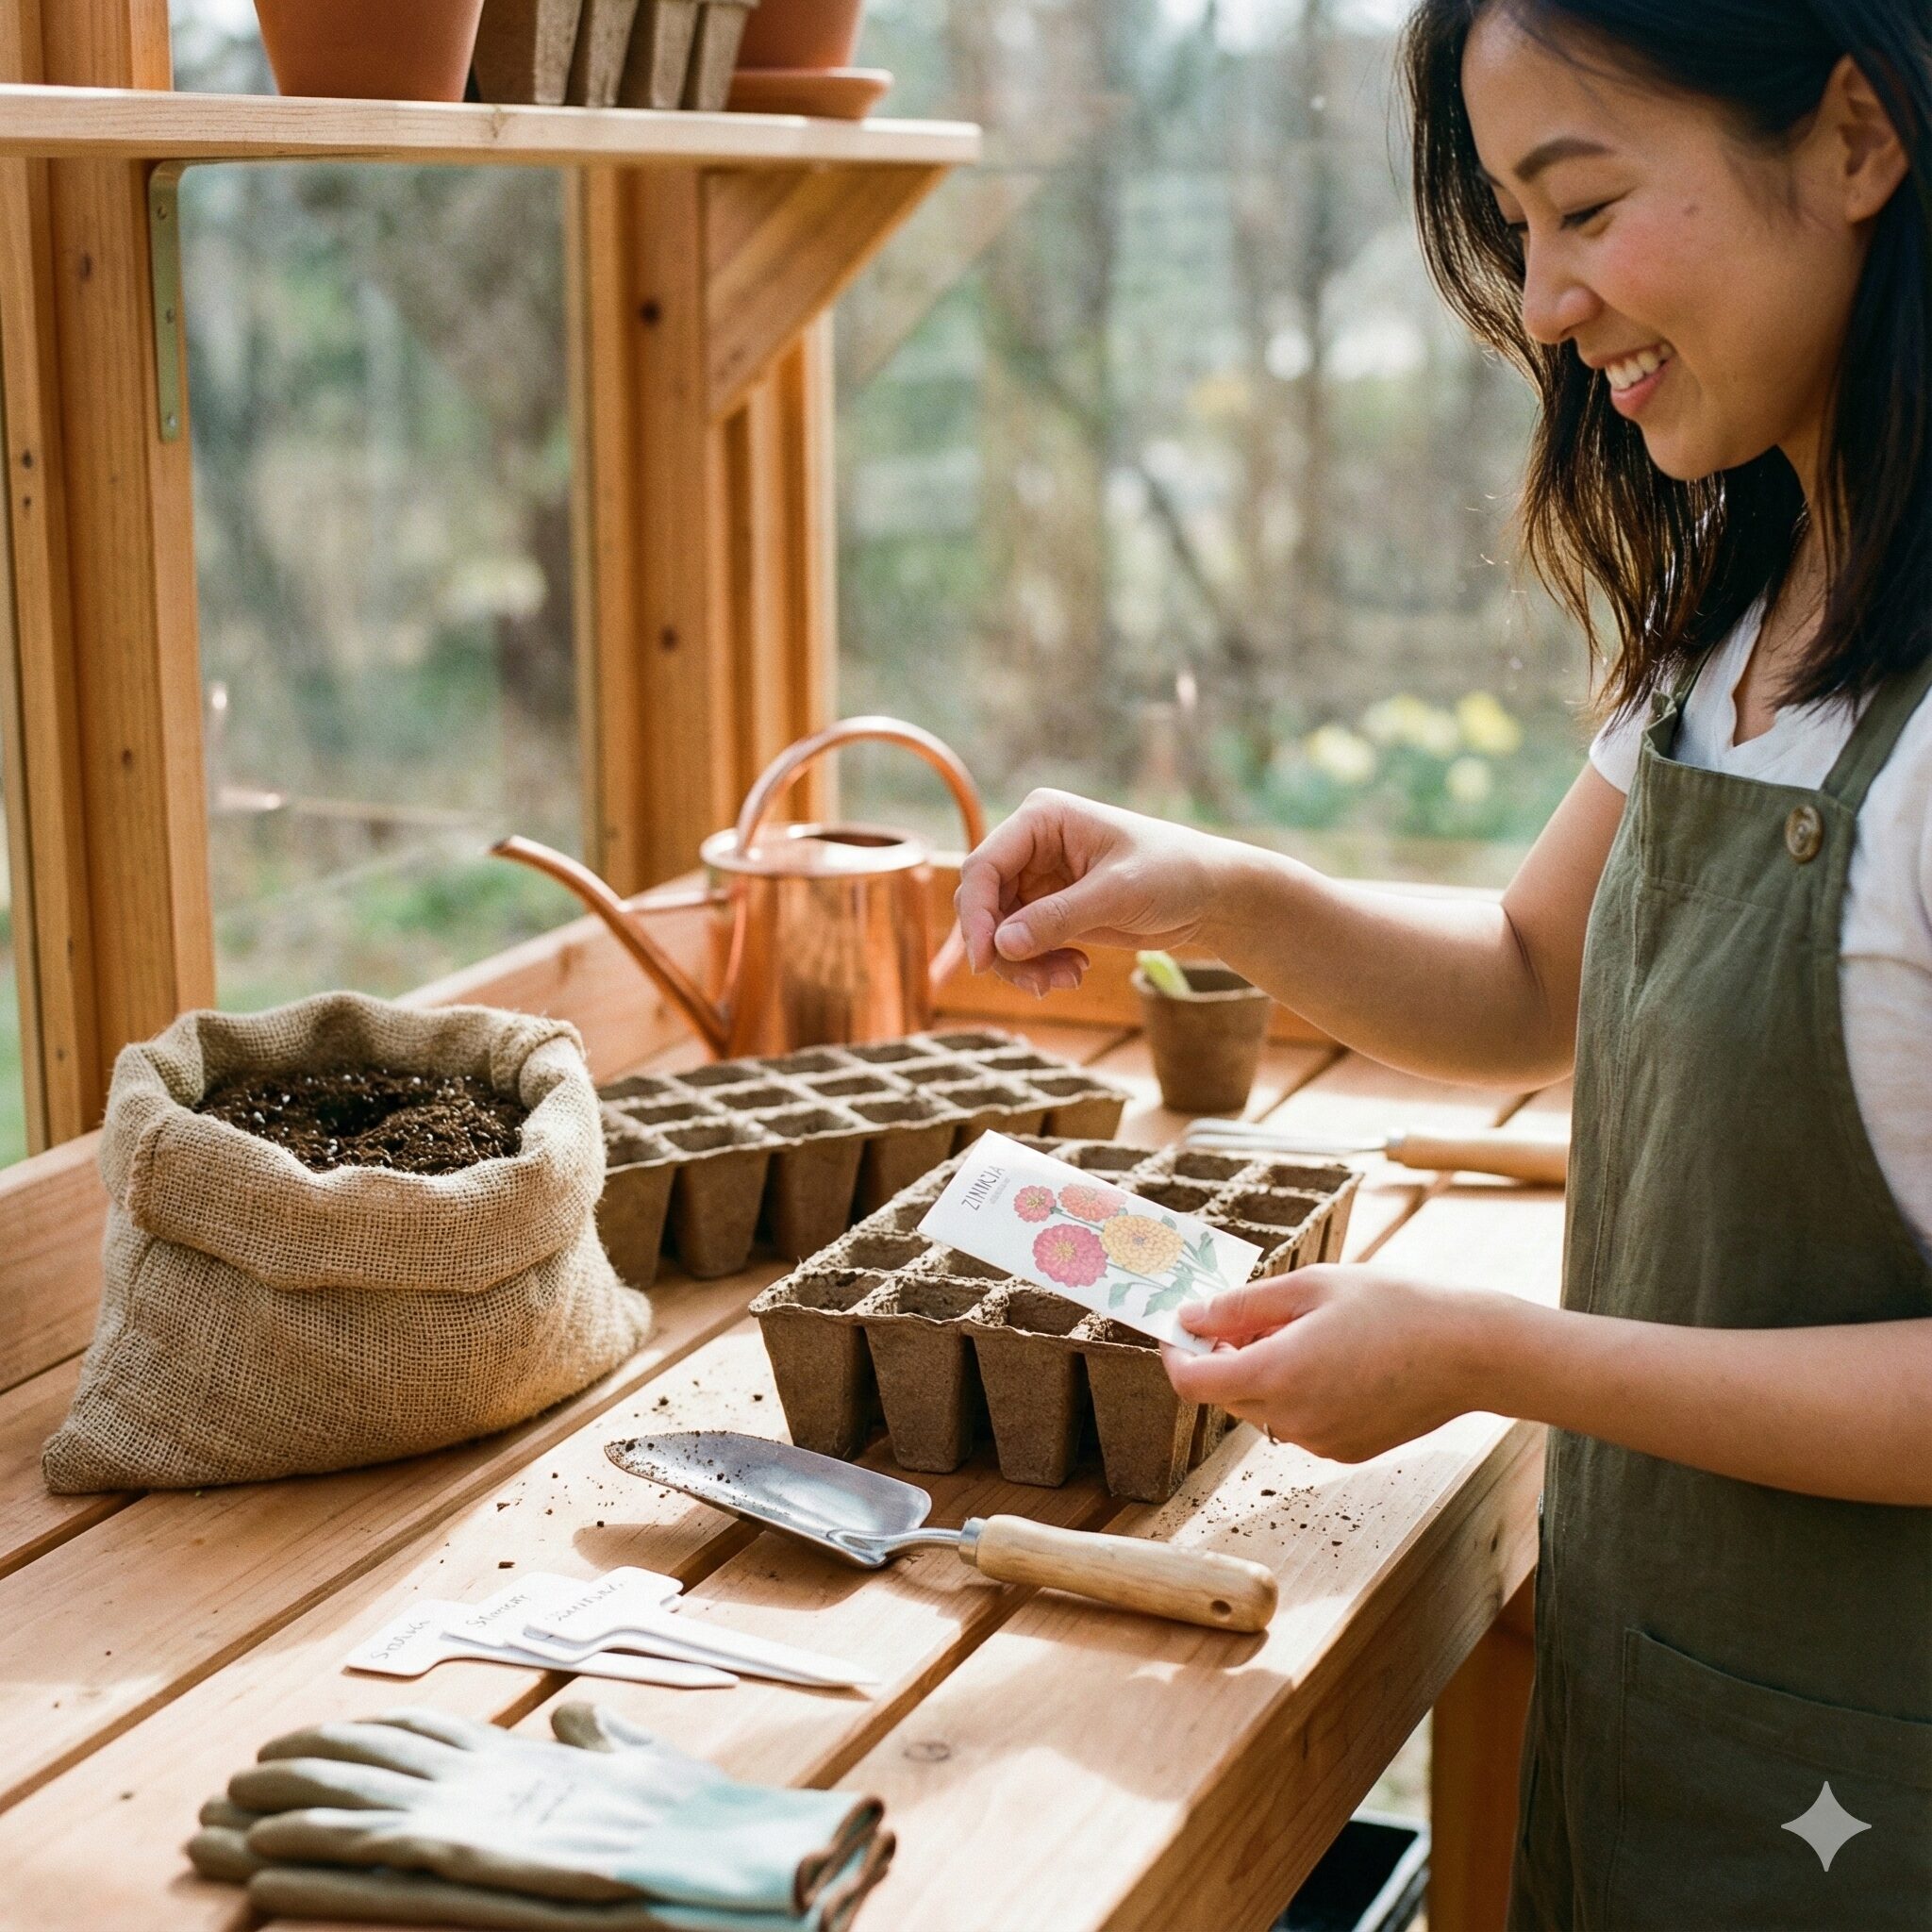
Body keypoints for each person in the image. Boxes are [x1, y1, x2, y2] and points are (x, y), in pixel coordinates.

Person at [952, 5, 1931, 1926]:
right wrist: (1213, 891)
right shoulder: (1728, 619)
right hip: (1668, 1731)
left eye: (1581, 206)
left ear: (1852, 142)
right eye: (1513, 227)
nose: (1547, 302)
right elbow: (1514, 975)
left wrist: (1484, 1351)